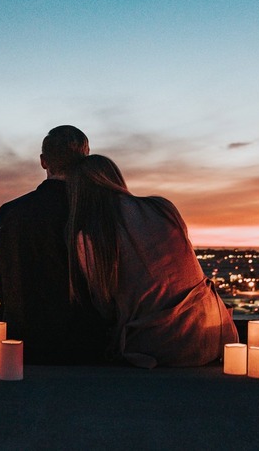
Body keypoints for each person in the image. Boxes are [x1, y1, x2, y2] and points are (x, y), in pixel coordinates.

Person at [66, 154, 239, 368]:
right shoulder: (163, 208)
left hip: (161, 346)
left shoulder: (91, 237)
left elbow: (104, 306)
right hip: (216, 333)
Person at [0, 126, 107, 364]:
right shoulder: (95, 212)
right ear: (86, 160)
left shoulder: (9, 213)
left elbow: (4, 285)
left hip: (20, 344)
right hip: (82, 346)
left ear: (44, 162)